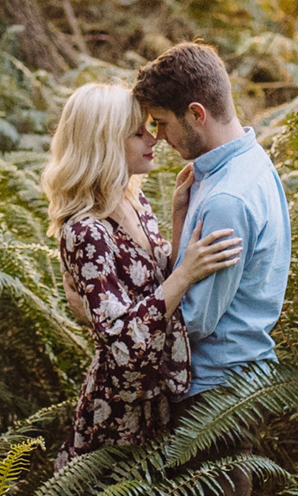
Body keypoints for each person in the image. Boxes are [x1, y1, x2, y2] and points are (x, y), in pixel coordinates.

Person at [130, 42, 292, 496]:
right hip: (228, 383)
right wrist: (180, 218)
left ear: (196, 114)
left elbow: (196, 319)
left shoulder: (228, 198)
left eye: (162, 122)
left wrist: (119, 321)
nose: (158, 137)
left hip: (215, 393)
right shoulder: (245, 165)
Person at [43, 83, 243, 468]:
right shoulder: (86, 232)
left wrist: (179, 217)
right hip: (121, 413)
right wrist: (184, 275)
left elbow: (150, 283)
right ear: (103, 144)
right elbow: (122, 346)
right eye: (138, 133)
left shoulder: (132, 200)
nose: (154, 139)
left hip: (158, 400)